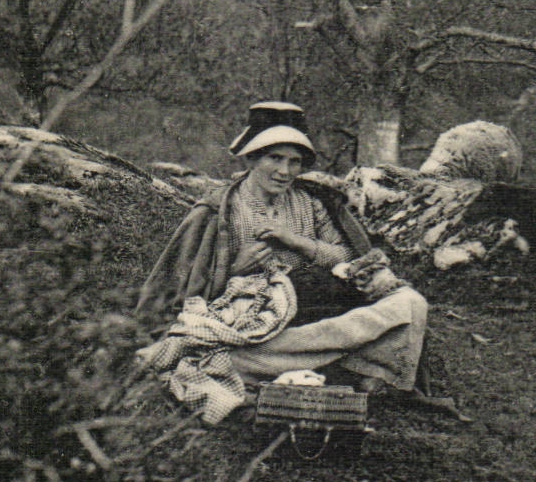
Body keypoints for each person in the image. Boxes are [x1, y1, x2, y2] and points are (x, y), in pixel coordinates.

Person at [138, 102, 454, 411]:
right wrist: (236, 268)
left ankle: (350, 368)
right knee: (219, 358)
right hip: (259, 332)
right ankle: (348, 367)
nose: (284, 171)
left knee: (410, 303)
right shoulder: (223, 210)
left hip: (316, 316)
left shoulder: (311, 202)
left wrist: (298, 243)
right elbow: (191, 292)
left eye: (295, 161)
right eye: (275, 159)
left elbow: (346, 255)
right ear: (251, 159)